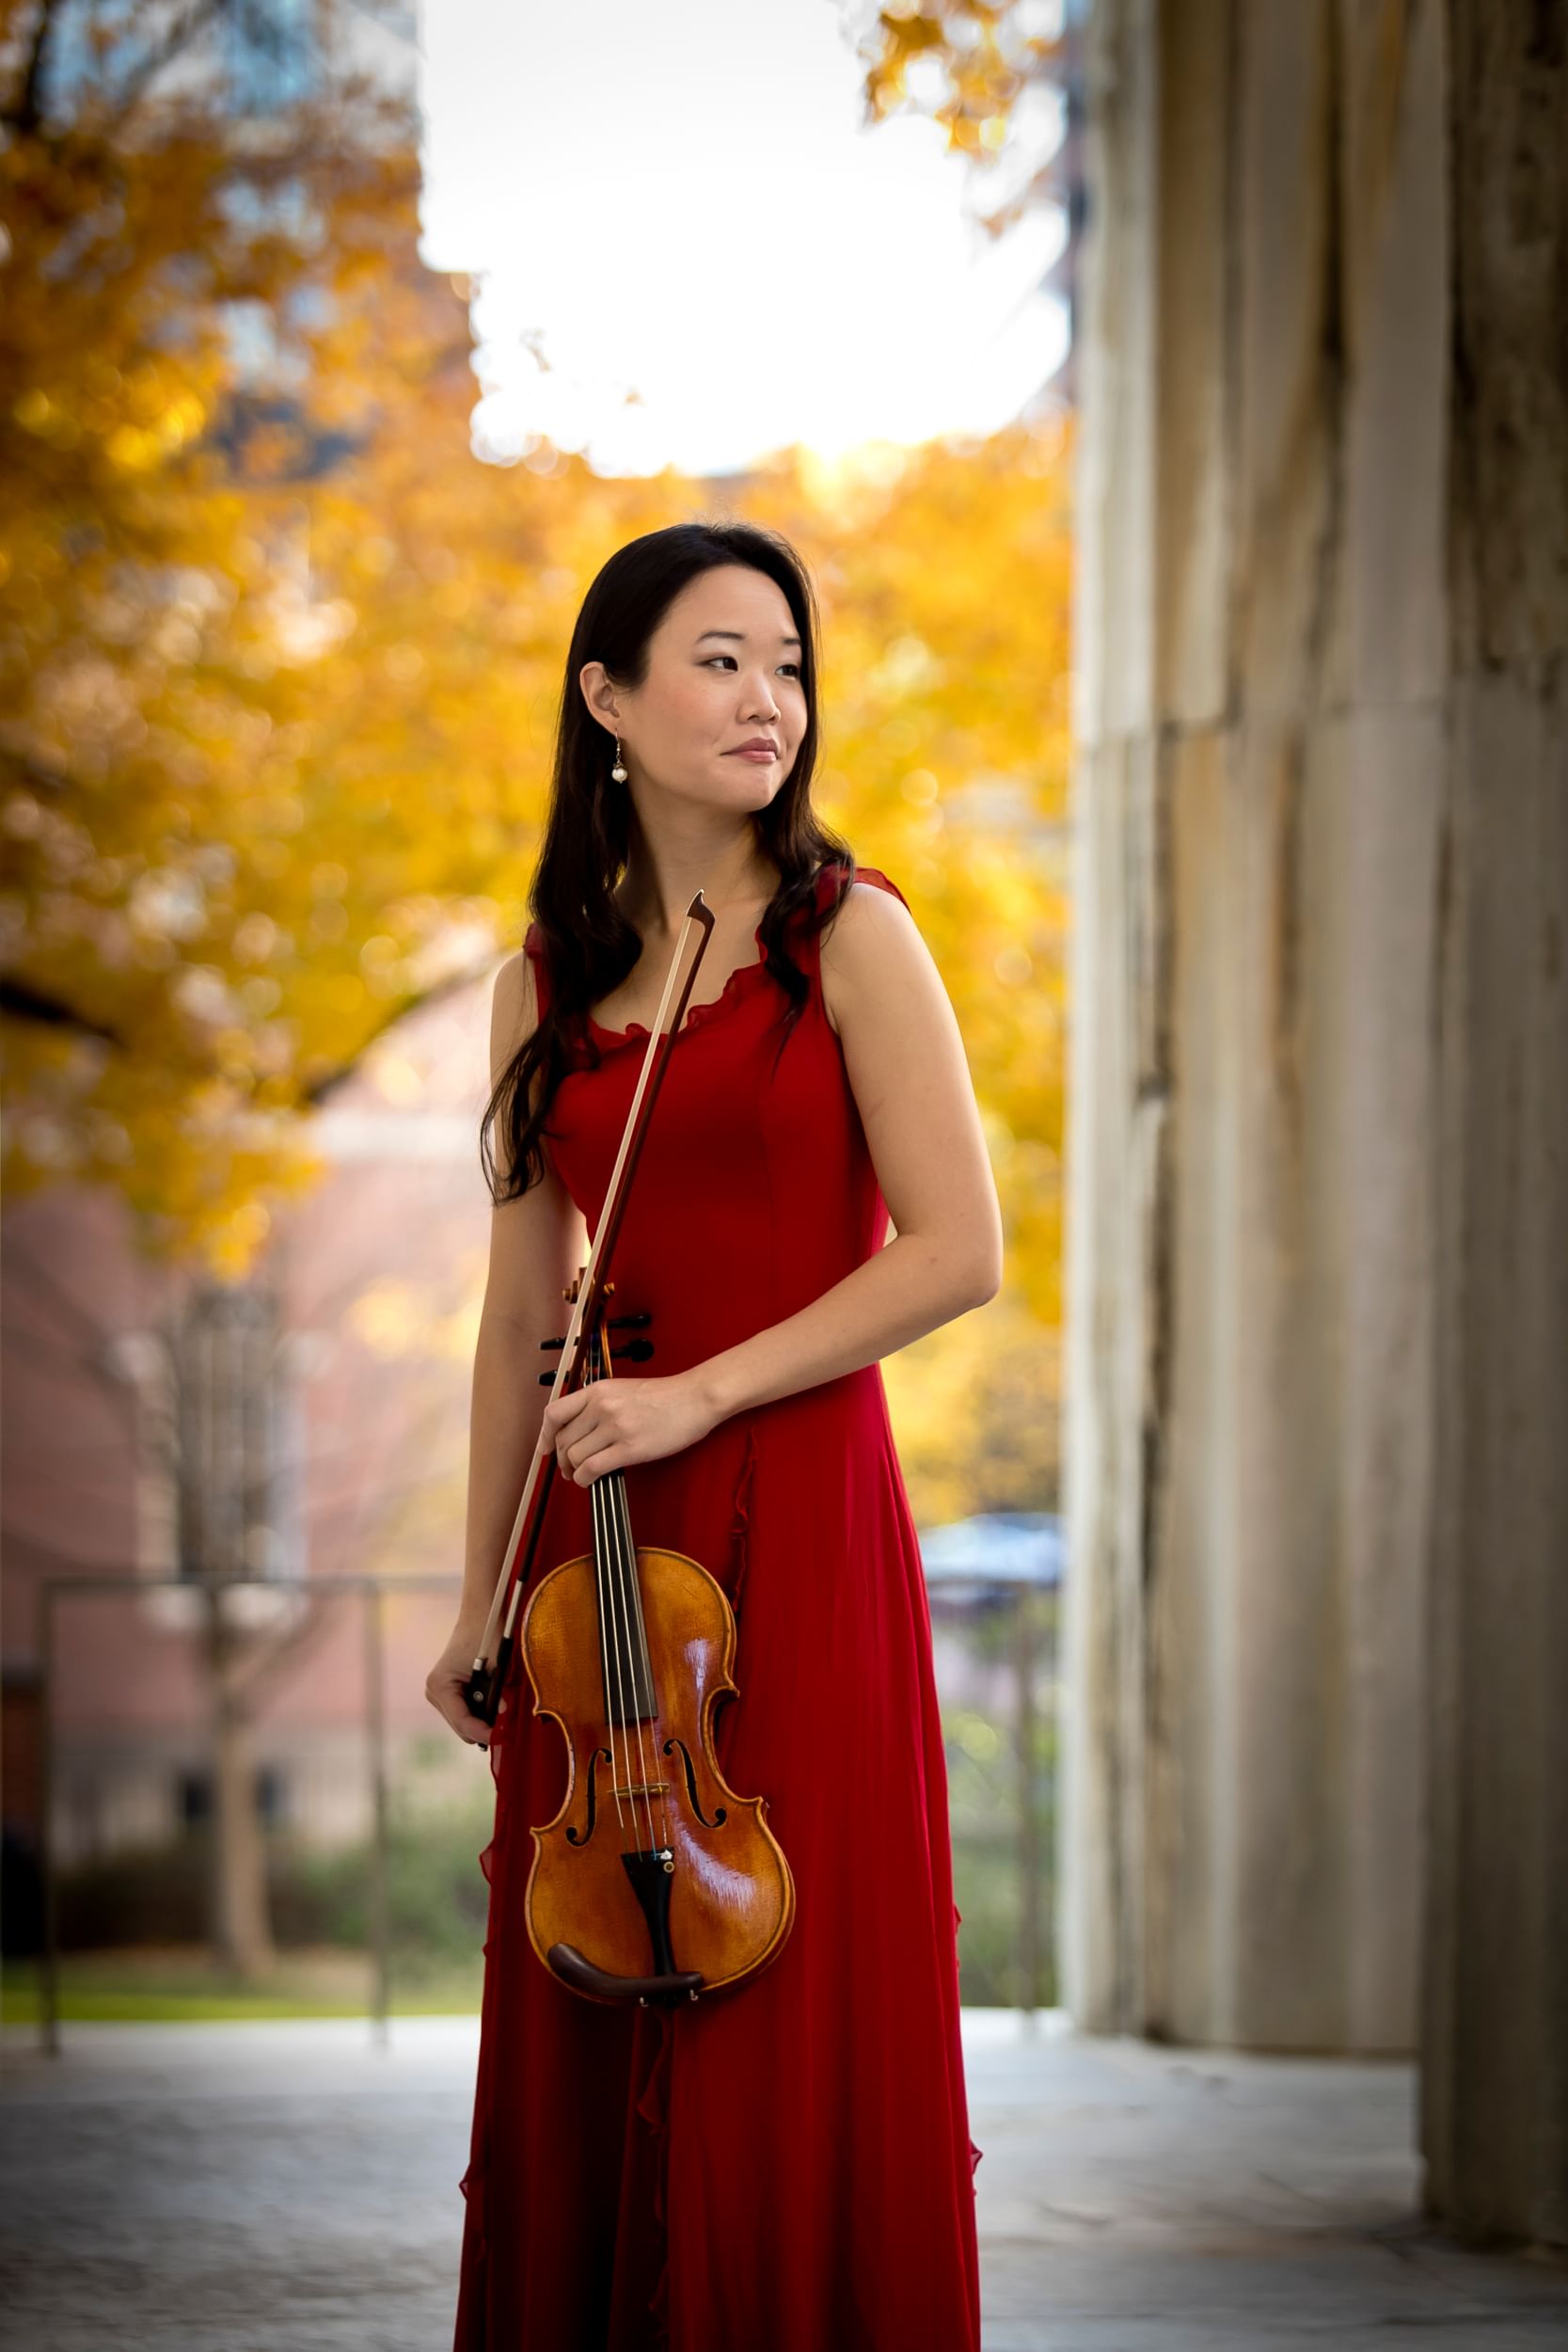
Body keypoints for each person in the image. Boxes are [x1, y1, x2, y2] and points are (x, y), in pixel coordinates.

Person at [426, 518, 1002, 2351]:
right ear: (606, 697)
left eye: (788, 662)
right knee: (597, 1966)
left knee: (790, 1972)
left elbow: (955, 1250)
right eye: (720, 658)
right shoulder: (546, 977)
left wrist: (707, 1386)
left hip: (798, 1514)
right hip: (598, 1563)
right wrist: (472, 1599)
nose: (770, 698)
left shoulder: (857, 933)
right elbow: (523, 1316)